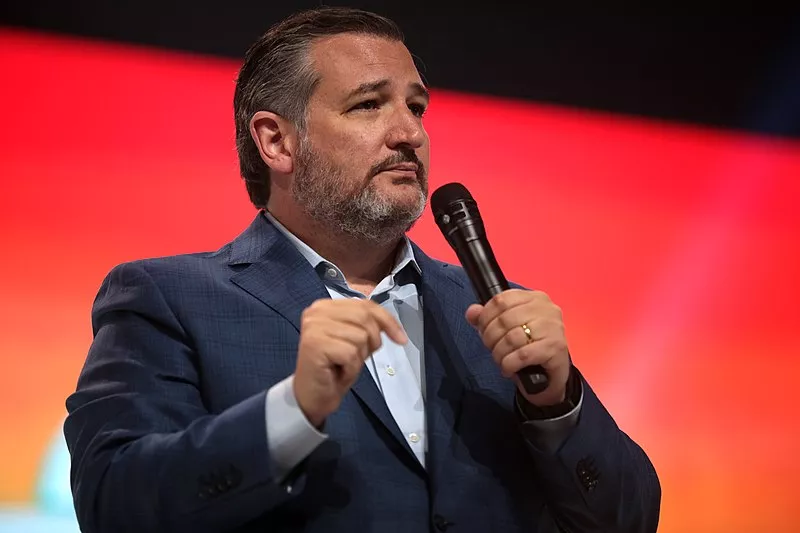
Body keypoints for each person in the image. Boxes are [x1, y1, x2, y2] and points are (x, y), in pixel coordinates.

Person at [63, 6, 660, 533]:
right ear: (277, 142)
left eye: (417, 107)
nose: (410, 133)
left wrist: (556, 404)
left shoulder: (496, 313)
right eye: (369, 104)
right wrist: (294, 411)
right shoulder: (169, 298)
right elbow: (115, 505)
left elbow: (628, 521)